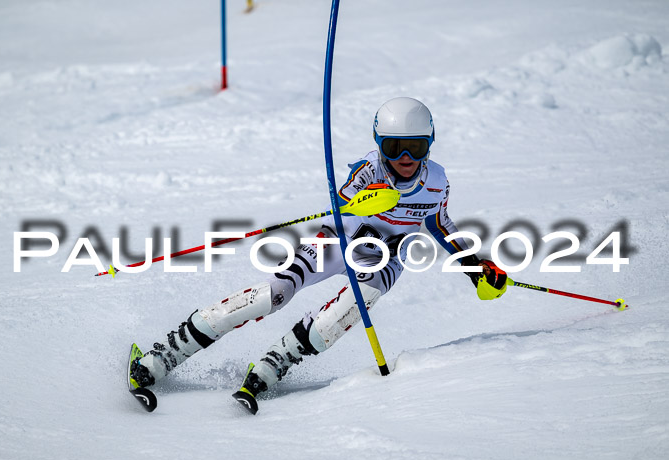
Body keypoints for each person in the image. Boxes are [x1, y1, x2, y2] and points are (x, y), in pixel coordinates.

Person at [129, 97, 508, 414]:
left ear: (430, 144)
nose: (405, 157)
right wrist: (362, 200)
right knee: (272, 295)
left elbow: (441, 225)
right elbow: (343, 197)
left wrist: (476, 267)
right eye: (394, 147)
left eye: (417, 147)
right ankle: (165, 353)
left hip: (386, 258)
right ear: (379, 143)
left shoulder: (437, 181)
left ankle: (276, 362)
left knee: (337, 320)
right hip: (339, 240)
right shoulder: (368, 168)